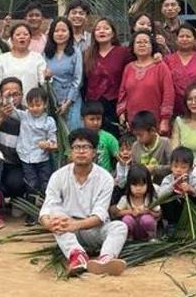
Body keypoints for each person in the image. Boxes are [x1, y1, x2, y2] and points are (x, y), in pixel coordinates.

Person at [39, 127, 129, 276]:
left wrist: (77, 224)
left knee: (120, 227)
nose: (81, 151)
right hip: (67, 231)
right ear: (70, 152)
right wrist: (49, 223)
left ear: (94, 153)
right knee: (56, 217)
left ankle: (105, 259)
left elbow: (100, 216)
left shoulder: (105, 178)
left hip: (93, 230)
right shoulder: (58, 176)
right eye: (76, 147)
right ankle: (77, 256)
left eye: (86, 147)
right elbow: (47, 208)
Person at [0, 77, 32, 204]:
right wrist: (1, 116)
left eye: (16, 94)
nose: (12, 98)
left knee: (16, 183)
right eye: (8, 95)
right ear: (1, 96)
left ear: (22, 95)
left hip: (16, 163)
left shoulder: (28, 112)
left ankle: (16, 199)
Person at [117, 31, 175, 136]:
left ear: (152, 46)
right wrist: (122, 113)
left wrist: (165, 120)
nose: (142, 45)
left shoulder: (161, 66)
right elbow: (123, 93)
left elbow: (168, 94)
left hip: (155, 122)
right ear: (133, 47)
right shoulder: (128, 68)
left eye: (146, 42)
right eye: (138, 42)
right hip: (133, 122)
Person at [13, 87, 59, 217]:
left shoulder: (49, 121)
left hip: (42, 158)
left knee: (46, 183)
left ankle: (48, 211)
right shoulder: (24, 116)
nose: (34, 108)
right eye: (31, 105)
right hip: (26, 157)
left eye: (38, 105)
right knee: (31, 183)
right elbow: (10, 110)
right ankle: (32, 212)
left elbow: (54, 143)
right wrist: (6, 98)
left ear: (45, 104)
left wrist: (47, 145)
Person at [85, 19, 131, 139]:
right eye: (98, 29)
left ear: (113, 33)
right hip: (93, 105)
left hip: (114, 104)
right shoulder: (87, 54)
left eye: (106, 28)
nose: (102, 31)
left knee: (114, 139)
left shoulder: (123, 53)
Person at [43, 17, 83, 131]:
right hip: (51, 99)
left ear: (70, 33)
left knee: (72, 131)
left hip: (71, 99)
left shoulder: (75, 52)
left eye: (64, 31)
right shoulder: (46, 53)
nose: (60, 34)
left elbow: (77, 79)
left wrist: (68, 102)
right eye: (56, 31)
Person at [0, 22, 46, 103]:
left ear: (30, 39)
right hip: (8, 105)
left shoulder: (37, 58)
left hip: (31, 106)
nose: (22, 37)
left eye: (25, 34)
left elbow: (43, 82)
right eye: (18, 34)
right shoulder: (3, 58)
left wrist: (48, 77)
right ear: (12, 39)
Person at [156, 147, 196, 228]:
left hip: (191, 215)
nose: (178, 170)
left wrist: (192, 190)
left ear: (191, 169)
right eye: (175, 166)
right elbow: (159, 196)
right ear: (171, 167)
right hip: (175, 215)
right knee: (167, 199)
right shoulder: (168, 179)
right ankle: (172, 226)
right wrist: (173, 185)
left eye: (183, 167)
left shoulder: (193, 179)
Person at [116, 111, 174, 183]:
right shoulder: (135, 146)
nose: (138, 138)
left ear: (152, 130)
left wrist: (154, 169)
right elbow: (134, 169)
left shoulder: (165, 143)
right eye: (136, 135)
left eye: (140, 135)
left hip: (162, 184)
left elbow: (172, 167)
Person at [164, 23, 196, 109]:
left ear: (195, 40)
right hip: (174, 107)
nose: (184, 39)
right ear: (176, 40)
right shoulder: (167, 60)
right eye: (181, 36)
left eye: (188, 36)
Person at [111, 164, 159, 241]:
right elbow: (117, 213)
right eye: (134, 185)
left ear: (148, 184)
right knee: (127, 219)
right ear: (129, 185)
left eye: (142, 185)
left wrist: (149, 211)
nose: (138, 189)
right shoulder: (126, 199)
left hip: (145, 230)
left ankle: (150, 238)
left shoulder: (149, 199)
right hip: (132, 230)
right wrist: (130, 212)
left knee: (147, 219)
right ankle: (128, 239)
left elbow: (158, 213)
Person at [81, 101, 119, 173]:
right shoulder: (78, 138)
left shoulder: (108, 138)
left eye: (98, 119)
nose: (95, 122)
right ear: (82, 120)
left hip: (104, 178)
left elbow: (120, 157)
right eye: (92, 119)